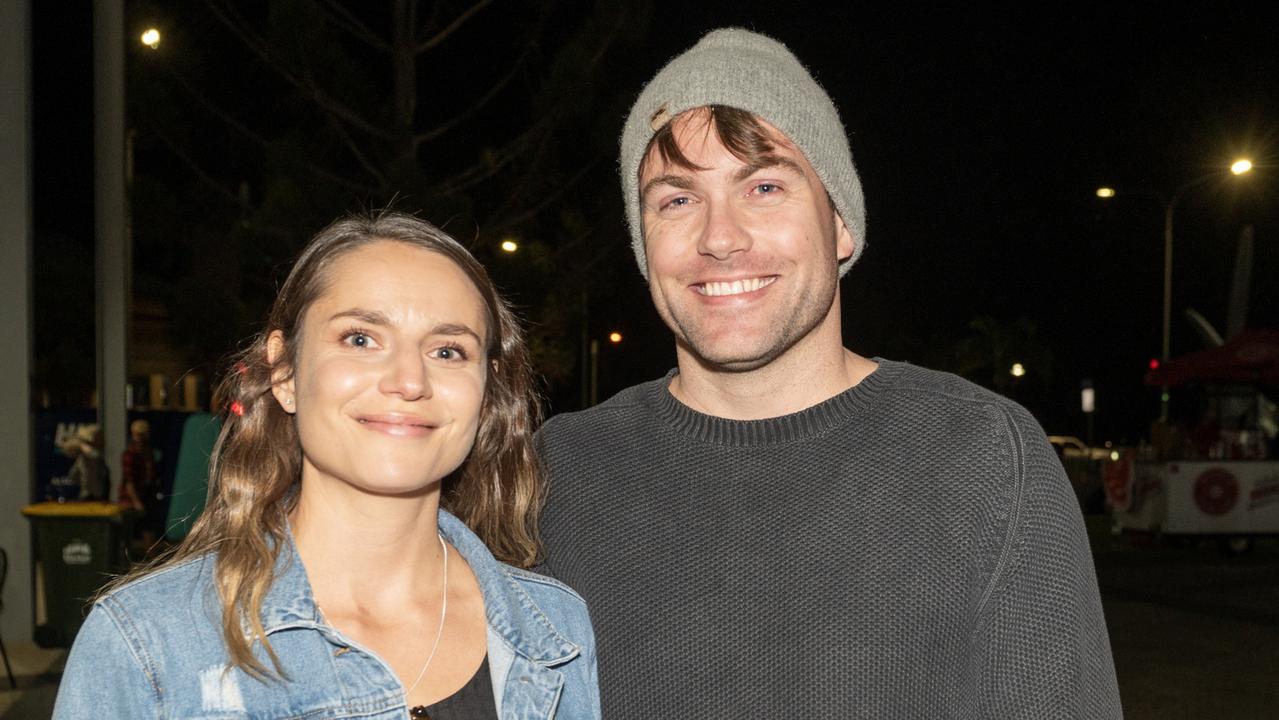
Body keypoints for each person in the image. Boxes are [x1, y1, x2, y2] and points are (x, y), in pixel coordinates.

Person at [535, 28, 1121, 718]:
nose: (719, 237)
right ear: (643, 247)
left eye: (763, 185)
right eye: (677, 200)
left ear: (840, 224)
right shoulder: (554, 471)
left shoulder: (983, 457)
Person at [55, 211, 599, 719]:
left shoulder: (555, 630)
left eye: (448, 351)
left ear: (486, 388)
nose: (409, 381)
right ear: (285, 371)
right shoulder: (146, 644)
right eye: (360, 339)